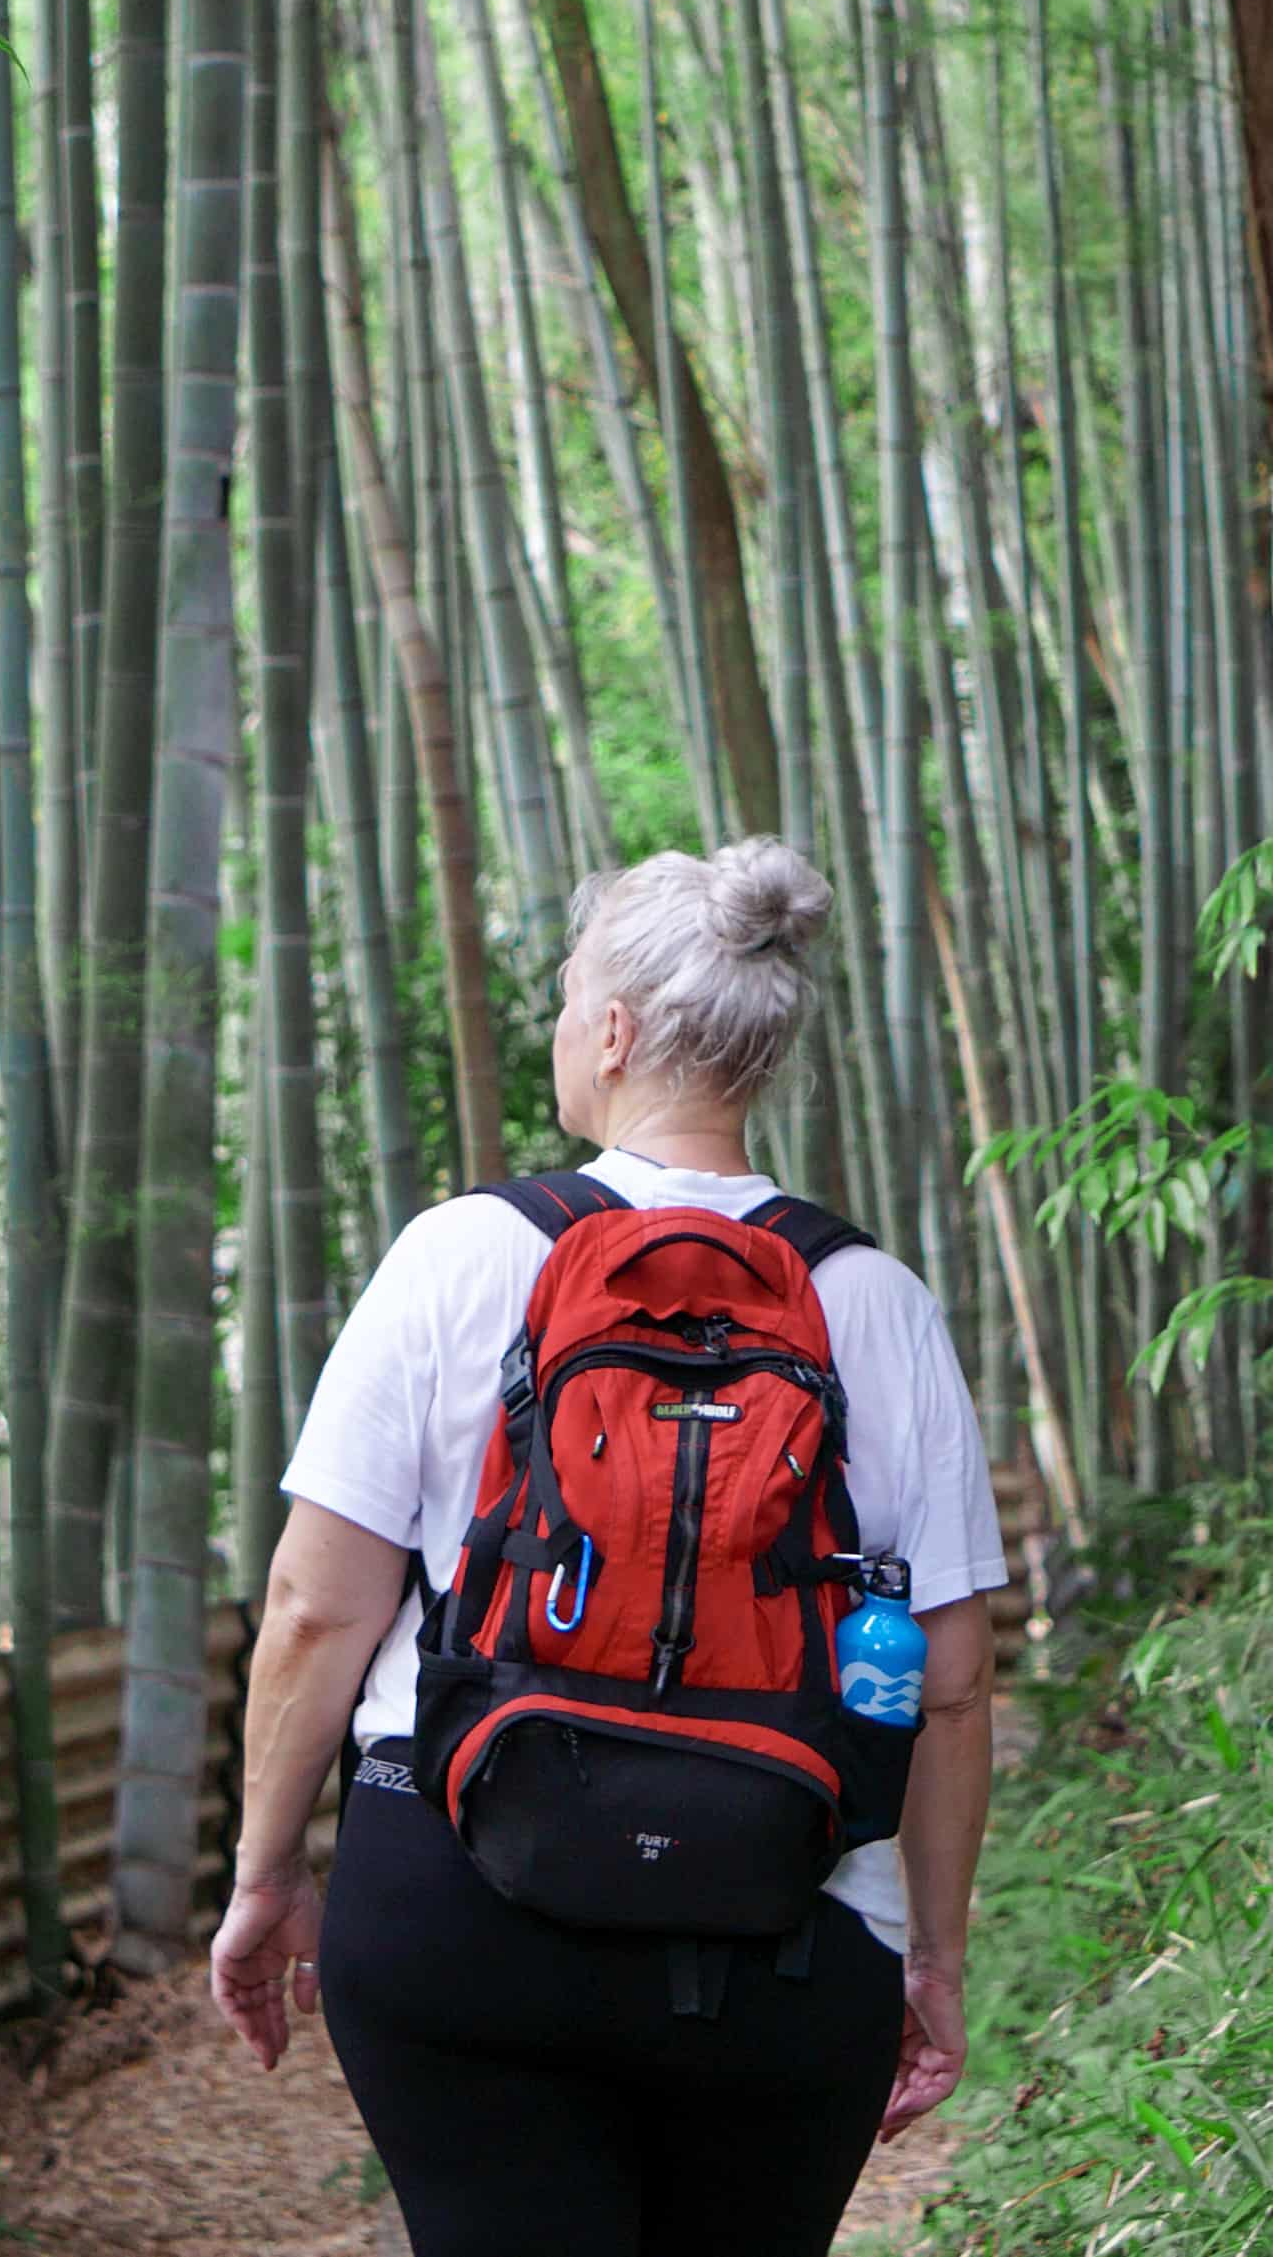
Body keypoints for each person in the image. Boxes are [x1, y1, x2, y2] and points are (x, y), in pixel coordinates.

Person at [210, 837, 1005, 2256]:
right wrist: (933, 1954)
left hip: (460, 1896)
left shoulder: (458, 1256)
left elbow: (317, 1609)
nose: (562, 1027)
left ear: (619, 1031)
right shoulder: (877, 1302)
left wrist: (268, 1870)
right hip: (790, 1916)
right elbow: (949, 1681)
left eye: (570, 997)